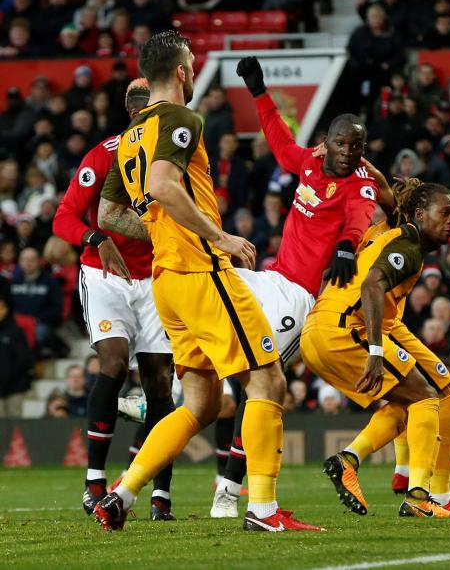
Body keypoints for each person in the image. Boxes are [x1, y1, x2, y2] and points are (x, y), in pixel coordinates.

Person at [93, 30, 319, 532]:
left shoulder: (130, 135)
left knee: (199, 403)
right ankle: (262, 510)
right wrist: (219, 237)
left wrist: (160, 230)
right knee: (267, 379)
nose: (194, 72)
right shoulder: (180, 118)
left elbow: (110, 213)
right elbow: (162, 187)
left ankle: (122, 494)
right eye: (191, 64)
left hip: (166, 281)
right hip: (200, 273)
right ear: (179, 71)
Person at [208, 55, 381, 518]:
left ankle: (228, 490)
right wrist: (259, 91)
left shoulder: (359, 186)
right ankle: (161, 382)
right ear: (327, 143)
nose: (350, 152)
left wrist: (347, 246)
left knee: (260, 390)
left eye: (357, 146)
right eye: (343, 143)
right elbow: (279, 139)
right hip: (270, 278)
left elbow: (359, 219)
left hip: (301, 299)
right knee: (207, 286)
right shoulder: (309, 163)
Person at [52, 78, 177, 521]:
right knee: (113, 362)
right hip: (104, 275)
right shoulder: (102, 156)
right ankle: (94, 481)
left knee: (160, 384)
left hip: (158, 277)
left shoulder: (177, 157)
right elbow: (63, 216)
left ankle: (159, 493)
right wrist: (95, 236)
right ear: (134, 114)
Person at [300, 178, 450, 519]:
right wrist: (375, 351)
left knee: (416, 399)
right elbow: (373, 283)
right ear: (418, 213)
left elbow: (386, 193)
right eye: (445, 213)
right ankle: (419, 495)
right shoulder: (407, 242)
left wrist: (358, 167)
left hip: (318, 329)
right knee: (427, 397)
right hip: (346, 329)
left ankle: (357, 462)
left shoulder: (380, 231)